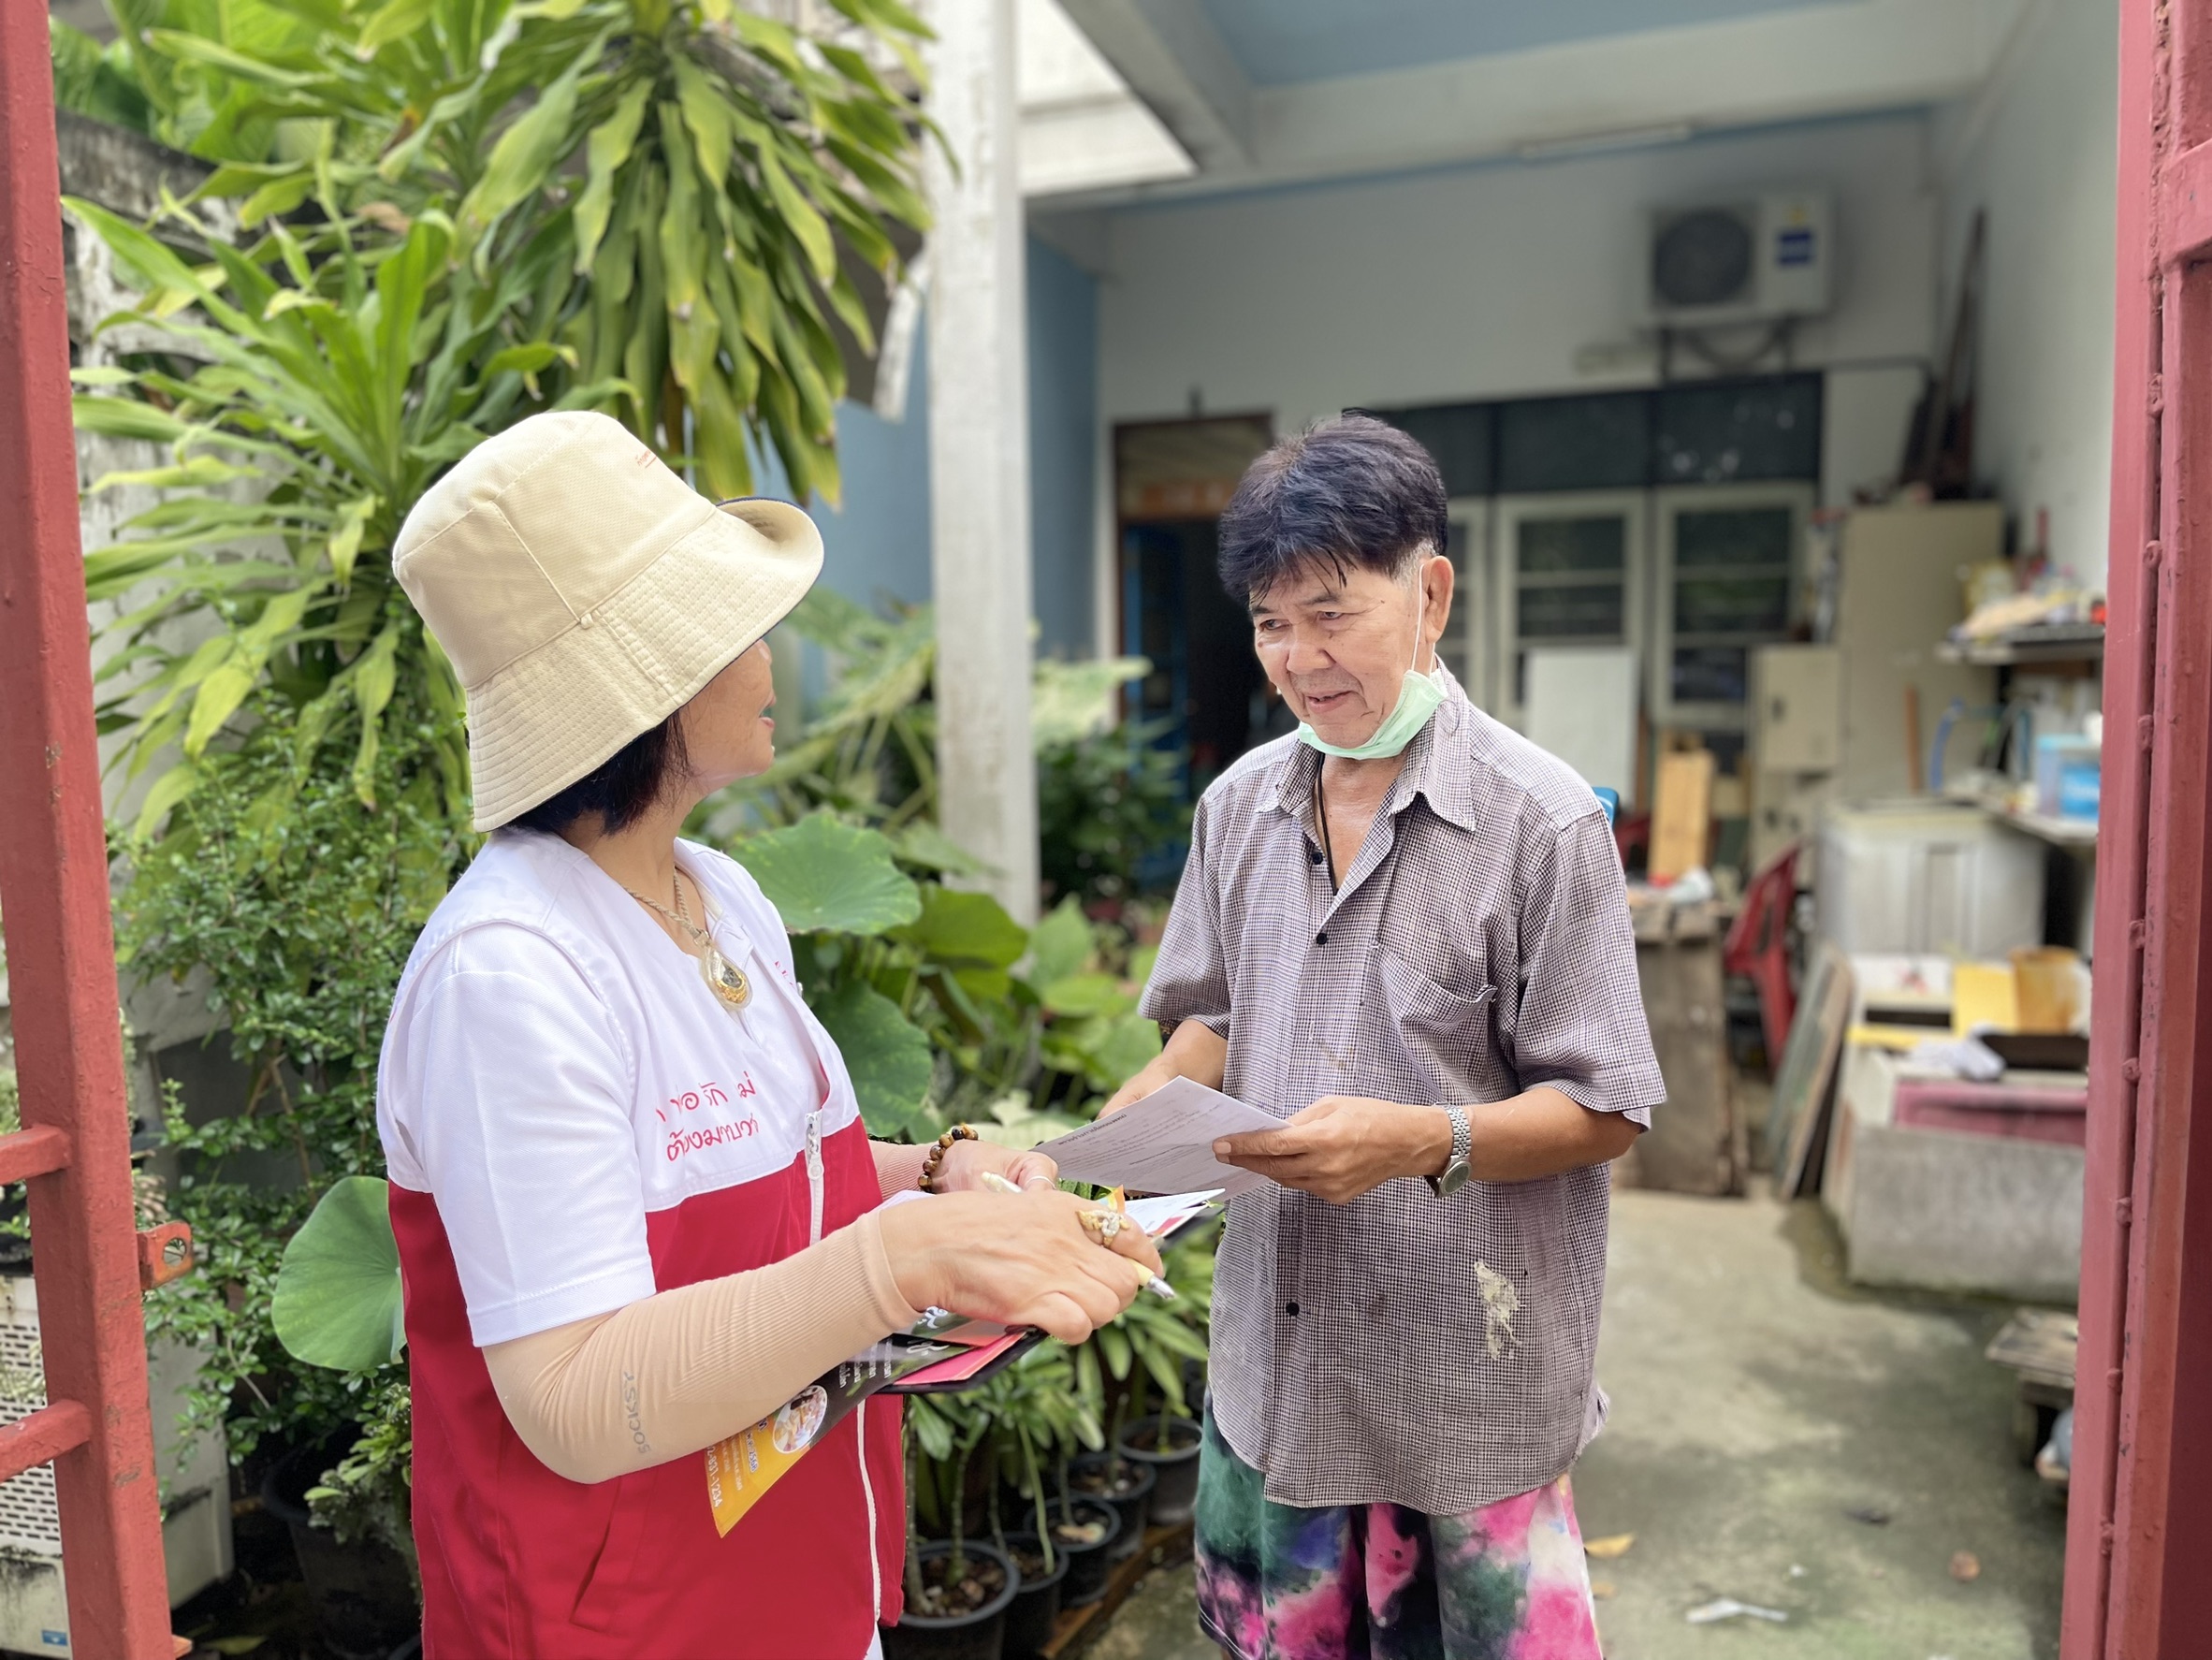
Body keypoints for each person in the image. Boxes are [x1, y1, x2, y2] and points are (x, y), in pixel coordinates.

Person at [377, 410, 1162, 1660]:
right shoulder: (509, 975)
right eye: (734, 625)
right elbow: (572, 1395)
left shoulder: (721, 895)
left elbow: (755, 1172)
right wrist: (905, 1261)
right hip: (629, 1626)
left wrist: (933, 1175)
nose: (768, 654)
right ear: (651, 682)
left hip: (796, 1577)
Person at [1106, 415, 1663, 1660]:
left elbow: (1607, 1107)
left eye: (1331, 614)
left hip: (1459, 1380)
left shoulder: (1541, 823)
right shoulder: (1237, 808)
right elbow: (1215, 1017)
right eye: (1269, 623)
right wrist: (1132, 1129)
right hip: (1277, 1370)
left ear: (1431, 594)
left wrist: (1420, 1139)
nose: (1297, 660)